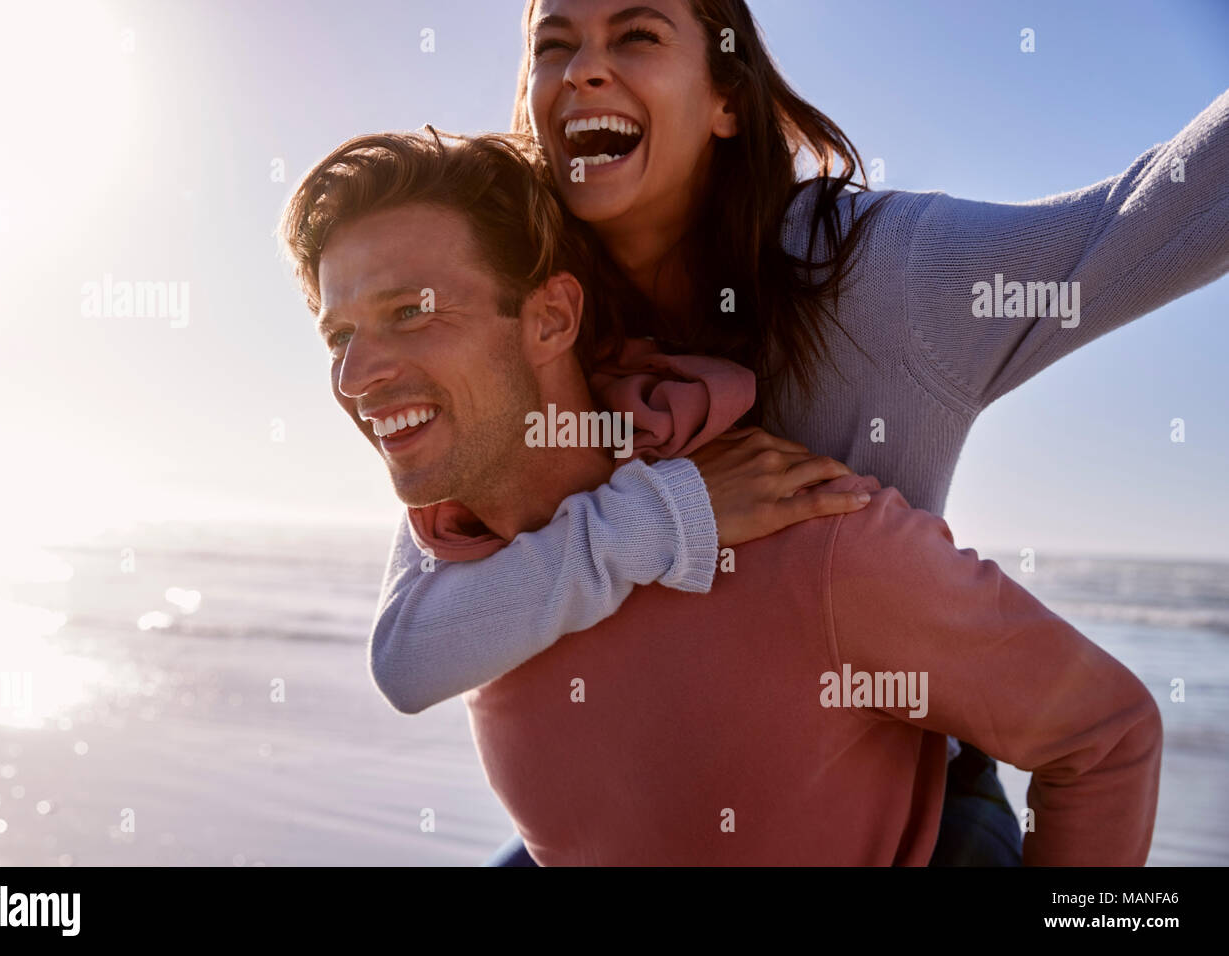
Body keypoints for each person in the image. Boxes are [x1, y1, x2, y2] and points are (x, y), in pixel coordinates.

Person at [360, 0, 1226, 866]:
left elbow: (1143, 224)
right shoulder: (530, 317)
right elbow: (412, 650)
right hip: (664, 786)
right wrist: (670, 514)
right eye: (553, 45)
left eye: (637, 35)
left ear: (728, 101)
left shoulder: (887, 277)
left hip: (911, 803)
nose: (583, 68)